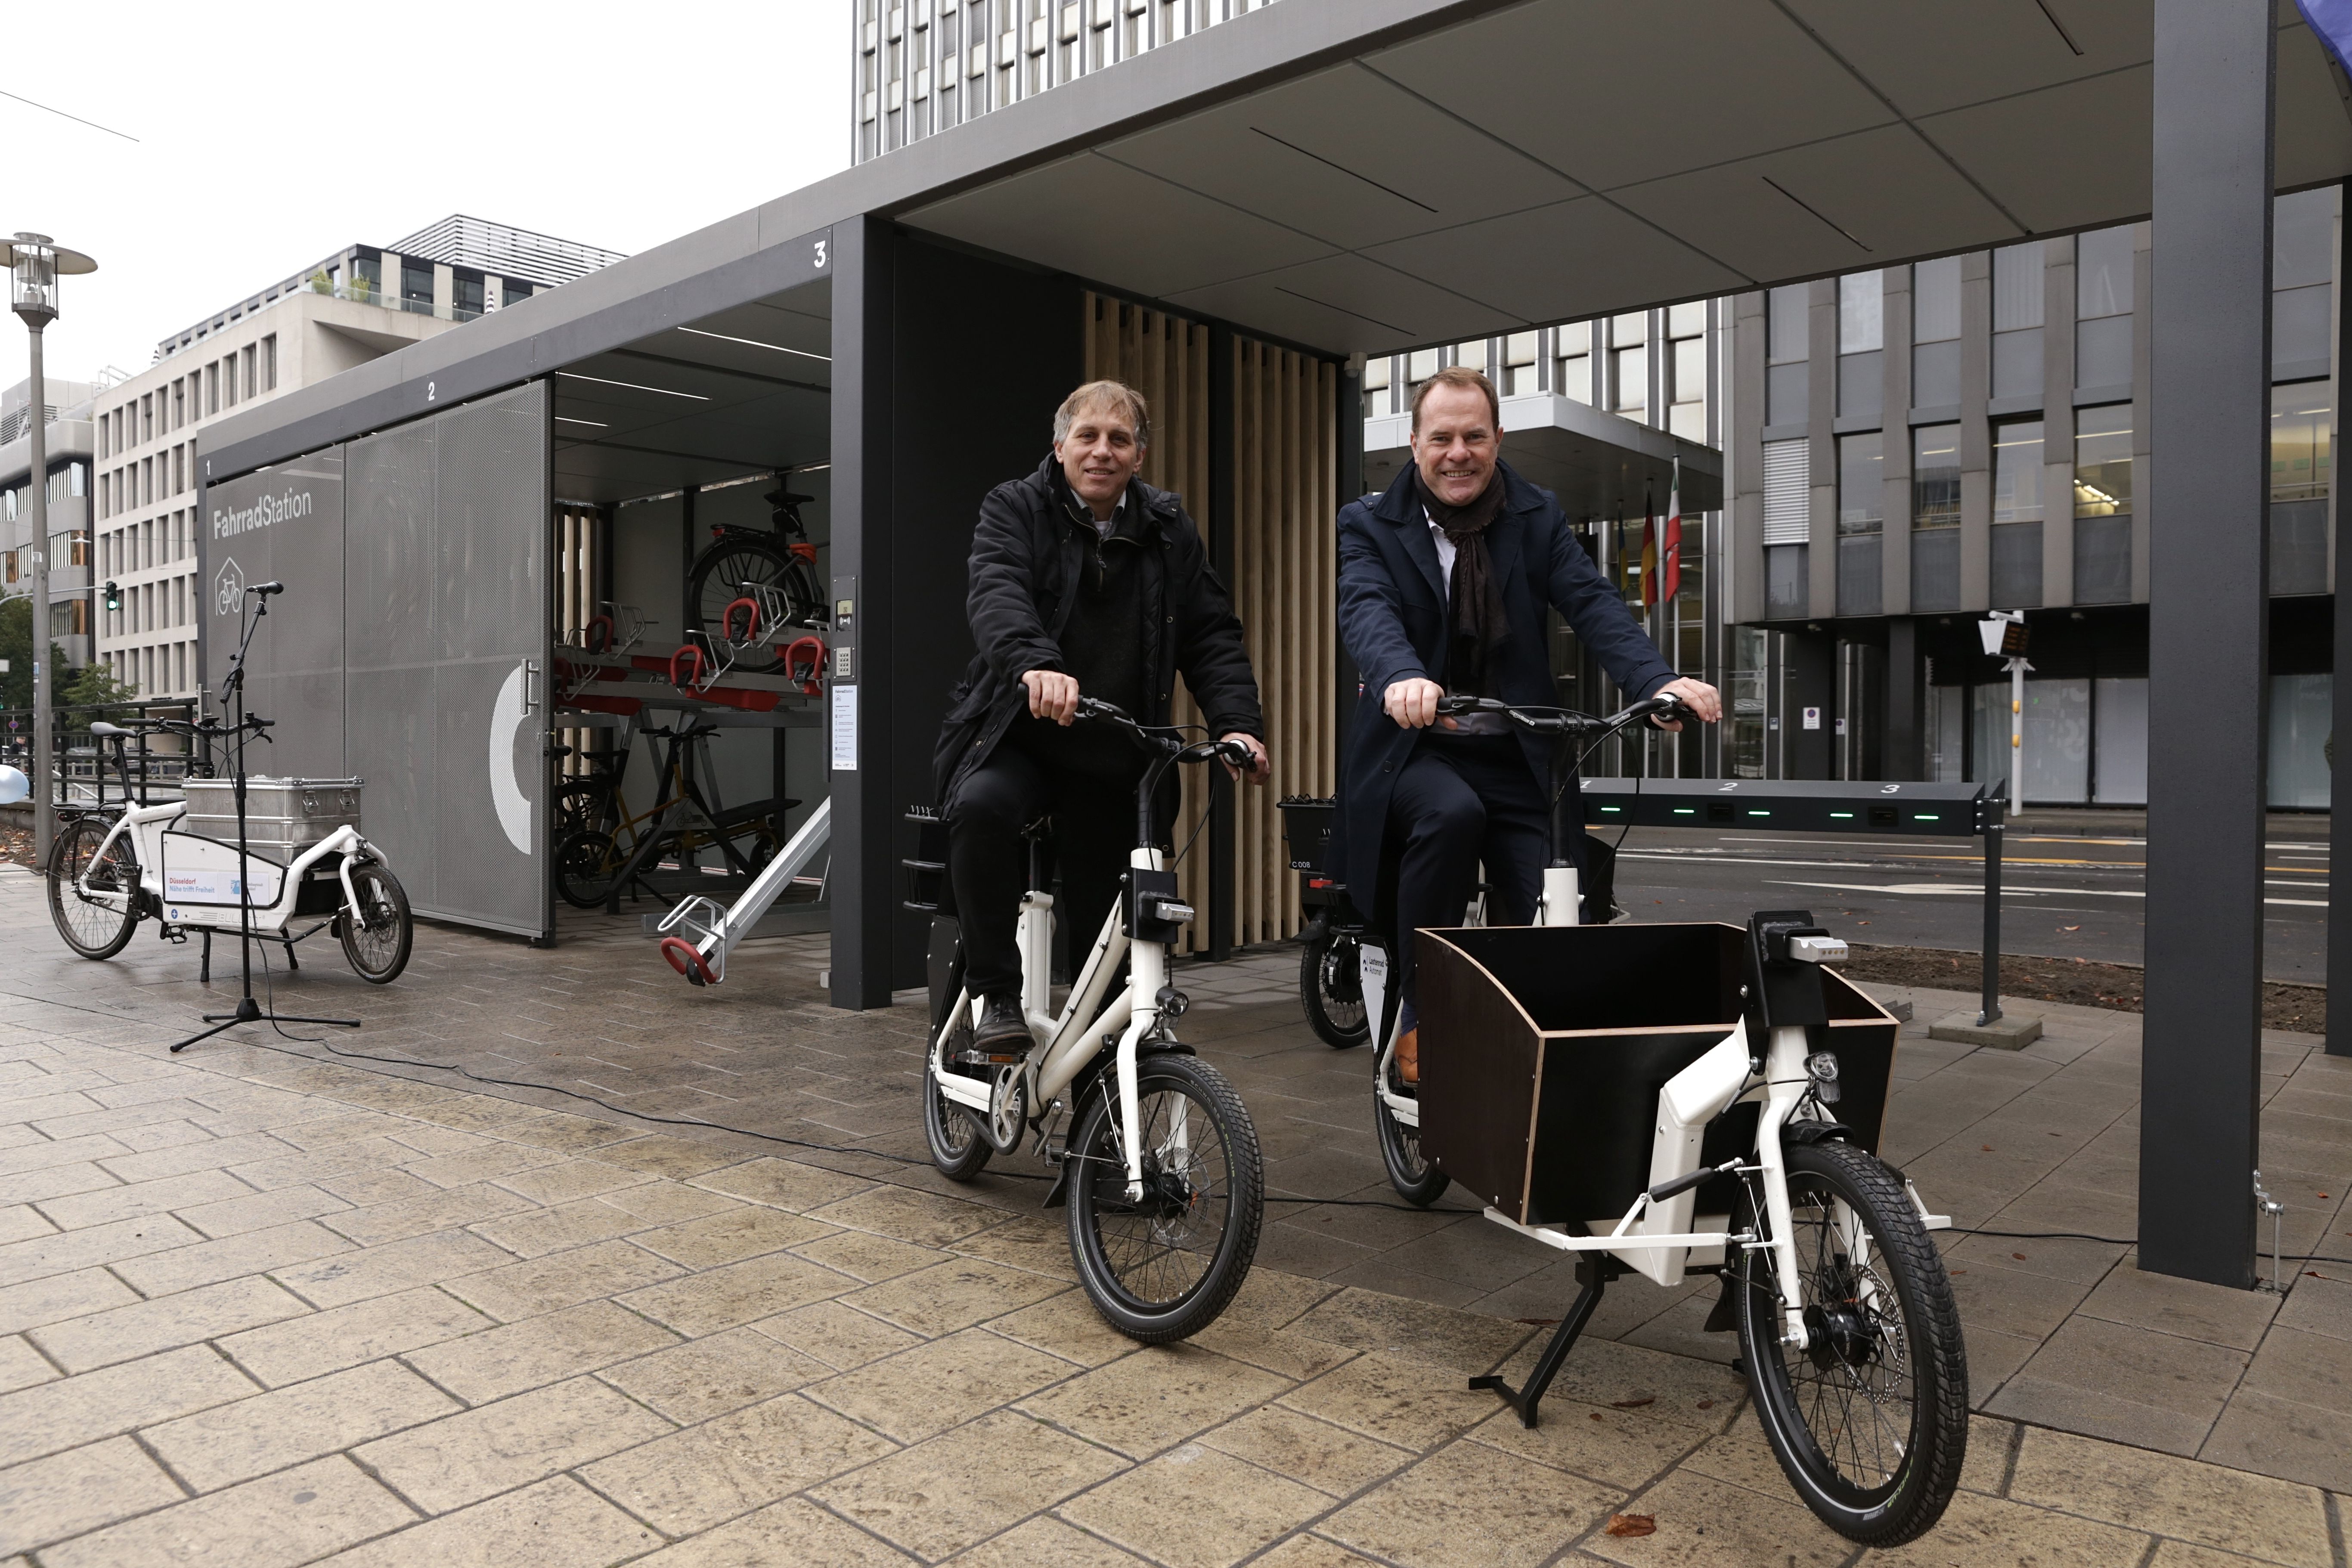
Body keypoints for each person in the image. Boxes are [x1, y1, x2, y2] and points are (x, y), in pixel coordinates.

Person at [1336, 366, 1721, 1082]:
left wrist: (1656, 680)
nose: (1460, 453)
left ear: (1497, 438)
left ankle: (1532, 1050)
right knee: (1451, 817)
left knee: (1553, 910)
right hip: (1419, 749)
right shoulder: (1369, 524)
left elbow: (1594, 603)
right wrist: (1401, 676)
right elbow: (1366, 609)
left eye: (1475, 437)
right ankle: (1420, 1012)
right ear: (1415, 443)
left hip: (1516, 750)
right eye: (1443, 437)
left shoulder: (1535, 515)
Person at [935, 380, 1272, 1053]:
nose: (1102, 451)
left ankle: (1101, 1092)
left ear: (1139, 456)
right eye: (1087, 436)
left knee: (1112, 933)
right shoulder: (1016, 507)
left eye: (1119, 439)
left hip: (1116, 755)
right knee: (980, 808)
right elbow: (997, 590)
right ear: (1060, 447)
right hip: (1022, 735)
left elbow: (1210, 635)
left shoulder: (1171, 530)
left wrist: (1238, 723)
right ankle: (994, 989)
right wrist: (1036, 665)